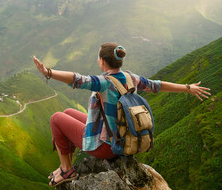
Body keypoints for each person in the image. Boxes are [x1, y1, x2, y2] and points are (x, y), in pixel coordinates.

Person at [33, 42, 211, 187]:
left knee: (56, 118)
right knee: (68, 112)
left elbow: (77, 79)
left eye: (98, 57)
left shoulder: (103, 82)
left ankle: (66, 169)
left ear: (102, 61)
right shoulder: (130, 77)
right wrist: (188, 88)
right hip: (123, 138)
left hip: (107, 147)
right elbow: (158, 85)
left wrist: (48, 72)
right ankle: (65, 163)